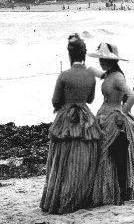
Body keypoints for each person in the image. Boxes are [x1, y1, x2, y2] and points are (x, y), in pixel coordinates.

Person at [40, 34, 103, 214]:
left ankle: (61, 198)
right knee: (83, 162)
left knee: (61, 160)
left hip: (66, 119)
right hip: (85, 118)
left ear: (69, 55)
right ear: (83, 55)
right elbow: (90, 99)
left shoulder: (64, 75)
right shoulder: (91, 75)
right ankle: (81, 196)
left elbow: (55, 100)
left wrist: (63, 105)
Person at [88, 43, 134, 206]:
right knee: (103, 155)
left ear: (109, 60)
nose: (100, 62)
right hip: (104, 116)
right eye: (99, 59)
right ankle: (107, 193)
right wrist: (87, 69)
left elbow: (132, 96)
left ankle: (115, 193)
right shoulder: (108, 74)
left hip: (113, 118)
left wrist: (122, 113)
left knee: (107, 155)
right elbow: (97, 72)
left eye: (102, 59)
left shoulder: (117, 76)